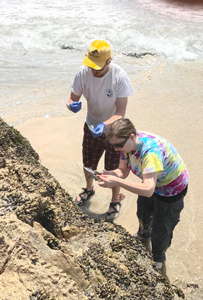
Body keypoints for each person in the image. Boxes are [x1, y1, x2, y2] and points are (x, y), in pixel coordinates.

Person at [96, 118, 189, 275]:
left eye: (118, 145)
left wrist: (116, 181)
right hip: (151, 183)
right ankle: (142, 235)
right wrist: (110, 174)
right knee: (143, 214)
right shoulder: (126, 147)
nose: (116, 149)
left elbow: (147, 189)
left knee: (161, 228)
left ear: (132, 136)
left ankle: (159, 258)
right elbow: (123, 171)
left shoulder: (150, 152)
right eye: (113, 146)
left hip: (171, 189)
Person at [66, 40, 135, 220]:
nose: (94, 70)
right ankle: (89, 190)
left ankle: (114, 200)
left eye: (99, 66)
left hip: (115, 130)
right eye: (92, 65)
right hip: (91, 125)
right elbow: (72, 98)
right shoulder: (83, 72)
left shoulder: (119, 76)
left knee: (113, 168)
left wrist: (105, 125)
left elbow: (120, 112)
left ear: (109, 61)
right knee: (88, 162)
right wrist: (70, 105)